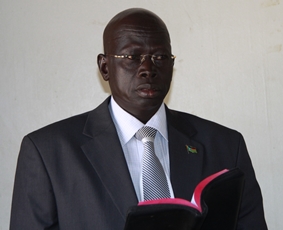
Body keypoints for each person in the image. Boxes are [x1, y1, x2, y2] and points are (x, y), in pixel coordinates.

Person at [10, 8, 267, 230]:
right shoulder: (48, 152)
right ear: (105, 67)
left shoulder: (225, 146)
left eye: (159, 57)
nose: (148, 69)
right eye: (132, 57)